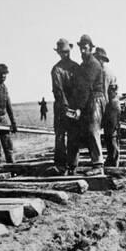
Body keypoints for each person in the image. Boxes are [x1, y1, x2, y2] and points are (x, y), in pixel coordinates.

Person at [68, 34, 107, 176]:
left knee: (92, 130)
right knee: (85, 131)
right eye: (81, 49)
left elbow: (85, 88)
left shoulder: (92, 64)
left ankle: (98, 165)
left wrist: (78, 108)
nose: (83, 51)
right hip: (89, 100)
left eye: (85, 48)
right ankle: (75, 164)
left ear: (91, 48)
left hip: (95, 99)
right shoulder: (84, 64)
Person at [49, 38, 80, 175]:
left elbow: (80, 89)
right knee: (60, 137)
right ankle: (61, 166)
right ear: (59, 53)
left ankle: (72, 166)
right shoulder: (56, 69)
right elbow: (58, 91)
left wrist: (78, 107)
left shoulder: (76, 68)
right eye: (62, 52)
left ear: (70, 51)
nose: (65, 54)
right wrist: (66, 107)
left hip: (73, 108)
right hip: (62, 108)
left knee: (73, 136)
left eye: (66, 52)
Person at [95, 47, 120, 167]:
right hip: (114, 103)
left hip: (110, 105)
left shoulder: (102, 72)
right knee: (111, 133)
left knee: (110, 134)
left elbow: (104, 93)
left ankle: (113, 160)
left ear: (101, 59)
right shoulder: (109, 71)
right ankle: (113, 159)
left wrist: (101, 110)